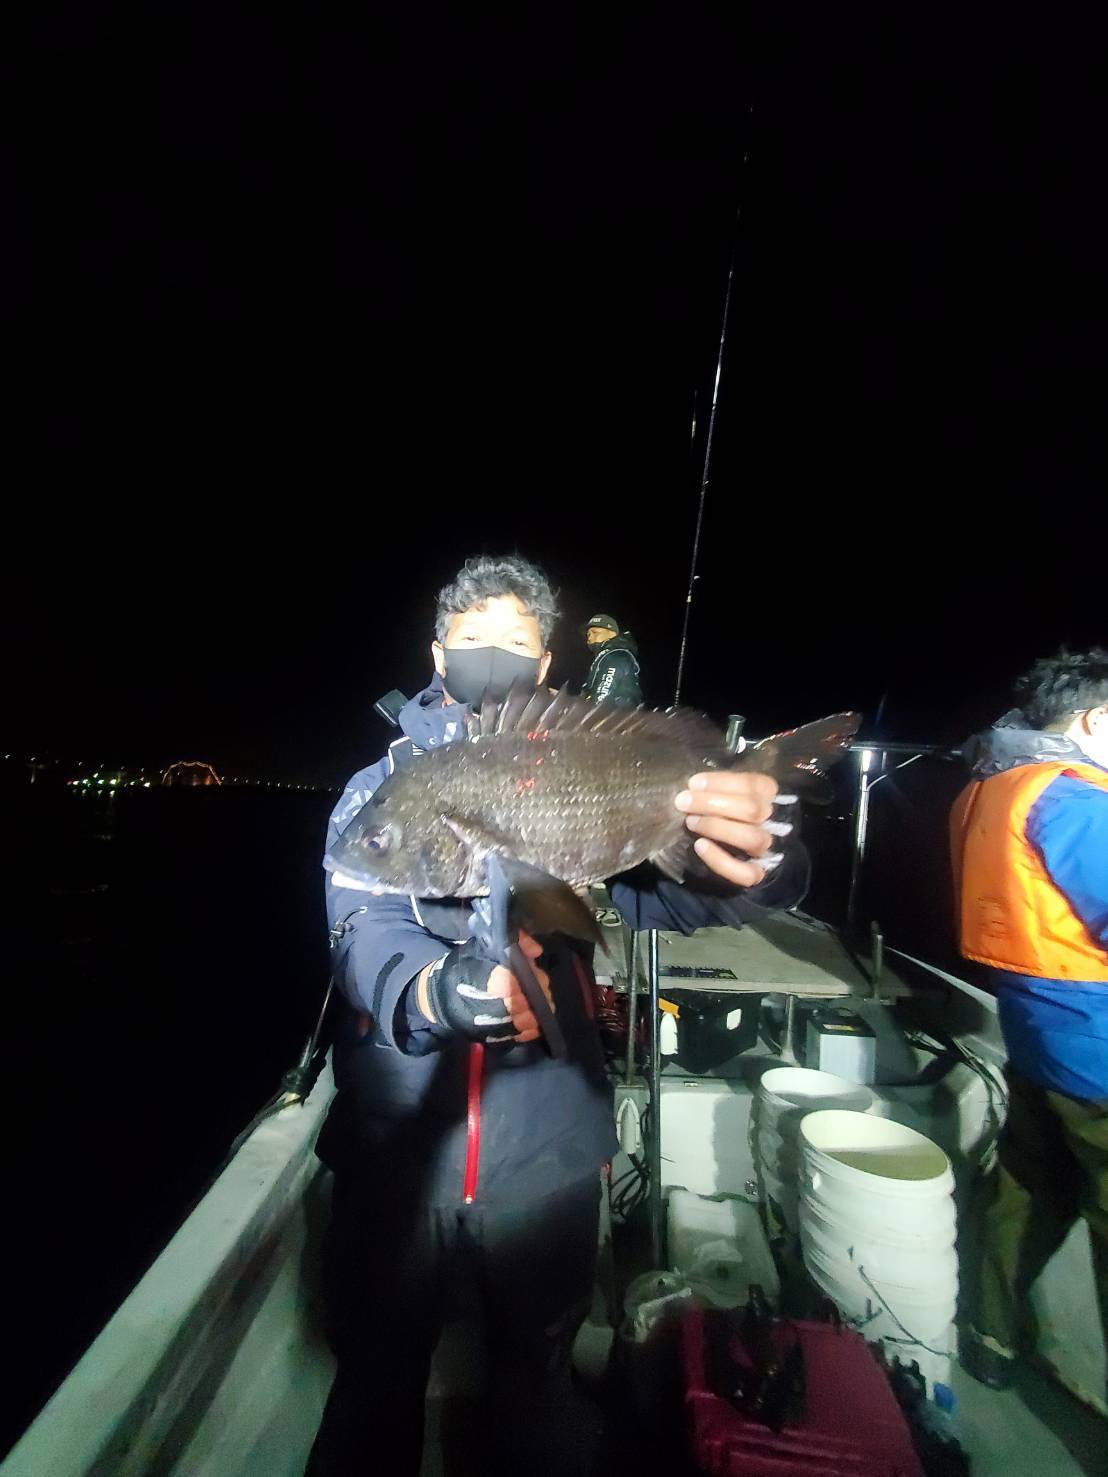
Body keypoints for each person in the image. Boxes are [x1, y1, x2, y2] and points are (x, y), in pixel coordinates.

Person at [306, 554, 809, 1476]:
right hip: (396, 1156)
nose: (490, 657)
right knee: (374, 1381)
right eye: (470, 640)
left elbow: (694, 894)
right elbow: (363, 925)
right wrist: (439, 990)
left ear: (544, 669)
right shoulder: (377, 789)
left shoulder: (583, 761)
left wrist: (760, 855)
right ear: (434, 651)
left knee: (534, 1384)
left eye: (514, 643)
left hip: (548, 1158)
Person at [950, 648, 1108, 1390]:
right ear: (1095, 719)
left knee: (1025, 1186)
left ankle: (990, 1335)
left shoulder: (988, 787)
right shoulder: (1073, 797)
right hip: (1097, 1047)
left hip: (1032, 1029)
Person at [580, 613, 643, 706]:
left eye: (595, 633)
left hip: (613, 718)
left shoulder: (616, 656)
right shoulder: (606, 656)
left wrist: (594, 714)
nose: (590, 638)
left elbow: (602, 700)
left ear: (612, 634)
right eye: (588, 635)